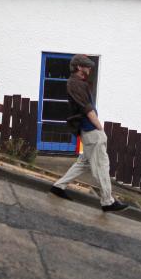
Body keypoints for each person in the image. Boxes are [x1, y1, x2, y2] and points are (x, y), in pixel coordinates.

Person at [50, 54, 128, 212]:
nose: (90, 68)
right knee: (101, 166)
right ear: (79, 67)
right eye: (87, 66)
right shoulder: (76, 83)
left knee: (83, 163)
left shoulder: (77, 83)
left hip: (88, 131)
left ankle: (59, 187)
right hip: (92, 131)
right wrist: (99, 126)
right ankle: (107, 201)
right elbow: (86, 108)